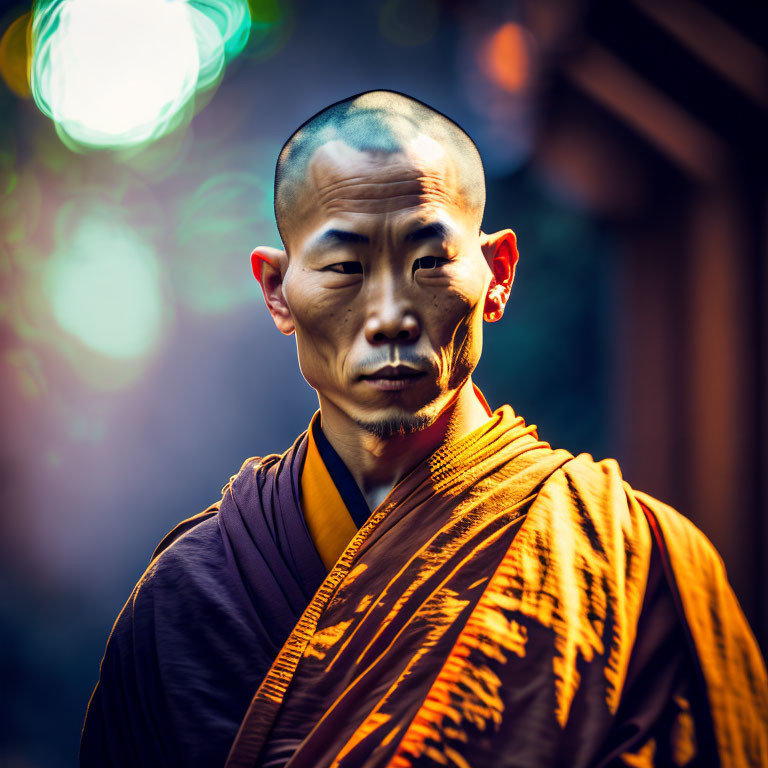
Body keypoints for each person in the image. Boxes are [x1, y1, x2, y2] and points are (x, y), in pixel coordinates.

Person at [80, 90, 767, 768]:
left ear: (497, 274)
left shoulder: (630, 564)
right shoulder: (187, 602)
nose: (389, 316)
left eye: (430, 262)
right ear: (278, 290)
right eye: (345, 267)